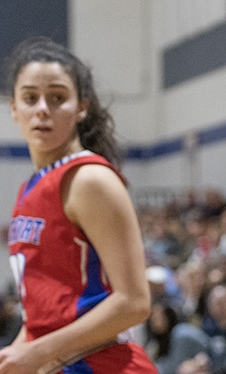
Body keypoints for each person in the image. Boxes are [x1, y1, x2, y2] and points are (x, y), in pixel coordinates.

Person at [1, 36, 157, 372]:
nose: (42, 108)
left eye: (57, 98)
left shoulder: (89, 179)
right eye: (30, 98)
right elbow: (44, 313)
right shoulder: (30, 187)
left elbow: (134, 302)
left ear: (81, 107)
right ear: (13, 107)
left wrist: (39, 352)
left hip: (105, 364)